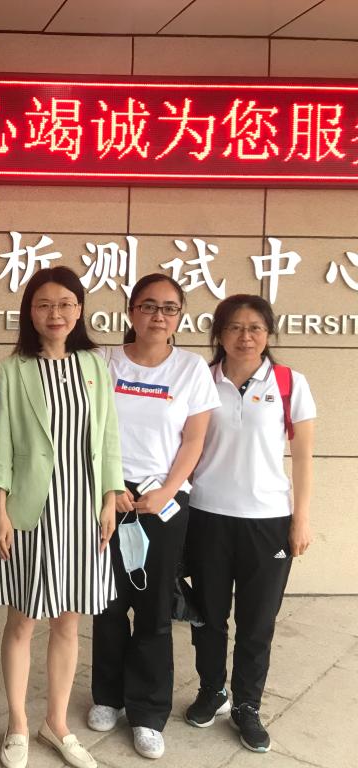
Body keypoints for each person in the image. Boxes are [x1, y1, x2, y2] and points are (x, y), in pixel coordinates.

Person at [0, 266, 122, 768]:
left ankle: (57, 724)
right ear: (30, 312)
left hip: (83, 510)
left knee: (69, 621)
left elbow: (108, 436)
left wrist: (109, 498)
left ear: (79, 310)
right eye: (44, 304)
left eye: (65, 303)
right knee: (22, 620)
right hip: (31, 510)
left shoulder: (95, 365)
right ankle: (18, 724)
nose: (55, 313)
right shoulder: (12, 369)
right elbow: (1, 443)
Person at [87, 273, 220, 760]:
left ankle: (147, 712)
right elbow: (88, 429)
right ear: (130, 312)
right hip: (107, 497)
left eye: (168, 308)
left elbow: (194, 440)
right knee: (106, 603)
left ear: (179, 316)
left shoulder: (191, 369)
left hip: (164, 501)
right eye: (147, 306)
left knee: (154, 609)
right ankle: (108, 697)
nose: (158, 316)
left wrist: (165, 491)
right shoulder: (103, 361)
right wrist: (110, 486)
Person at [183, 294, 315, 753]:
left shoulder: (289, 383)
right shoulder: (201, 379)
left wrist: (301, 519)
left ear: (268, 333)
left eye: (255, 328)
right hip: (207, 515)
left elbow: (303, 458)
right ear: (218, 333)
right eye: (235, 328)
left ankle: (247, 705)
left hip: (268, 520)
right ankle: (212, 690)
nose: (245, 337)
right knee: (208, 616)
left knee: (257, 621)